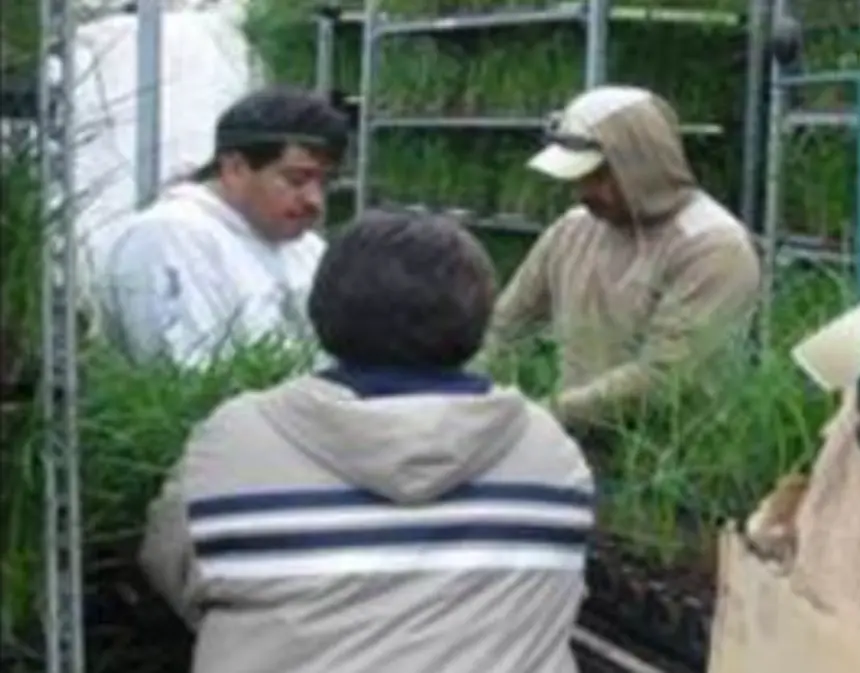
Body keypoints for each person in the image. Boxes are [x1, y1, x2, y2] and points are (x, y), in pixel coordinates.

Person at [138, 209, 595, 673]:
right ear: (478, 321)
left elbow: (171, 568)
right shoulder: (548, 451)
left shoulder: (234, 441)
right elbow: (560, 594)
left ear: (322, 311)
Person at [475, 85, 762, 435]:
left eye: (597, 177)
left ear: (641, 164)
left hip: (668, 459)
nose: (583, 193)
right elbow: (505, 328)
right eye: (577, 179)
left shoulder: (711, 246)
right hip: (572, 436)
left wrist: (539, 416)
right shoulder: (573, 230)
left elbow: (663, 381)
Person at [98, 86, 349, 369]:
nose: (314, 200)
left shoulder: (307, 249)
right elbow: (188, 380)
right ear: (235, 169)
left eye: (324, 183)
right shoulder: (168, 237)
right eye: (296, 180)